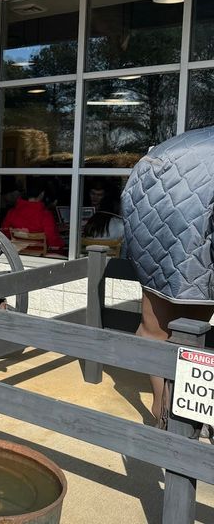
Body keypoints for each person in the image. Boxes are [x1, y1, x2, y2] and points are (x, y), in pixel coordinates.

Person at [121, 126, 214, 426]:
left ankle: (162, 407)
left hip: (158, 227)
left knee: (154, 327)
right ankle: (173, 412)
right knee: (187, 331)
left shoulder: (168, 152)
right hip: (193, 234)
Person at [1, 180, 65, 250]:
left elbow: (4, 234)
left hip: (18, 254)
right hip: (40, 256)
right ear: (42, 194)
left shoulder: (12, 213)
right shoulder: (45, 215)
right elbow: (53, 241)